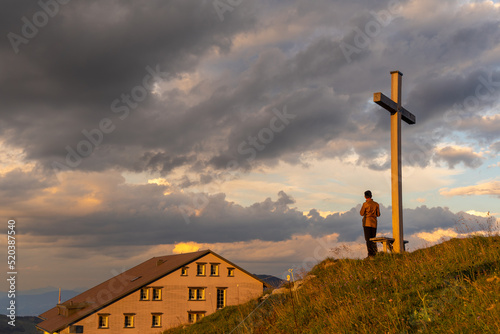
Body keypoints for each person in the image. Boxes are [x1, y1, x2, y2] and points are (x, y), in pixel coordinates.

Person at [360, 190, 380, 257]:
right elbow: (378, 214)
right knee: (373, 238)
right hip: (374, 223)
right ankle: (375, 253)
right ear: (371, 196)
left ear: (365, 197)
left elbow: (361, 213)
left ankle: (370, 254)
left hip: (367, 223)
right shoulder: (376, 204)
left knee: (368, 239)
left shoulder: (365, 204)